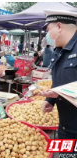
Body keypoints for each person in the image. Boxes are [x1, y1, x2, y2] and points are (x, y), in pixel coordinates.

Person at [39, 9, 77, 148]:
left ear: (59, 27)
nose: (47, 35)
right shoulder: (58, 51)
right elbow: (58, 81)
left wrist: (63, 94)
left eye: (48, 30)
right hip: (65, 126)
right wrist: (51, 99)